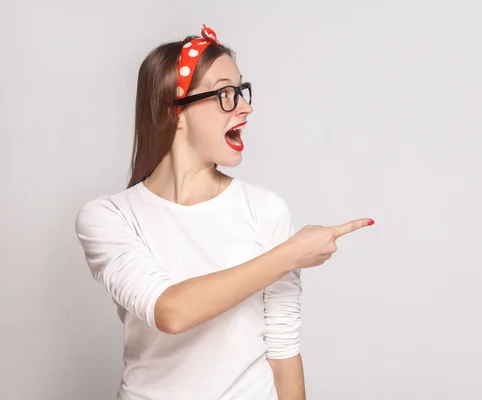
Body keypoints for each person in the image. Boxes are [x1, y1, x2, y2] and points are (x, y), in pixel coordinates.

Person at [75, 24, 374, 400]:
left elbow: (283, 351)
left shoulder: (264, 209)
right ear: (175, 111)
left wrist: (287, 253)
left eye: (241, 91)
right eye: (226, 94)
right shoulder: (108, 217)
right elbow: (170, 311)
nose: (245, 107)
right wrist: (291, 254)